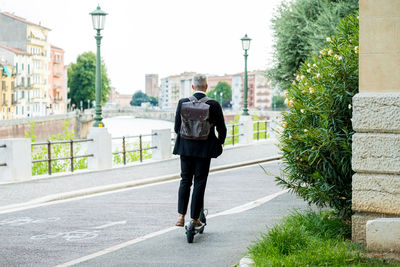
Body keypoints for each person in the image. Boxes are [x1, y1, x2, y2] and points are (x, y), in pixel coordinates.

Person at [173, 74, 227, 227]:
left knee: (185, 180)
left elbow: (177, 127)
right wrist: (219, 143)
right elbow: (222, 129)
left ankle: (180, 216)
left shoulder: (182, 103)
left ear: (192, 87)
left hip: (185, 148)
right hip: (204, 149)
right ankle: (195, 218)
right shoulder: (213, 104)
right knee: (199, 182)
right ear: (206, 87)